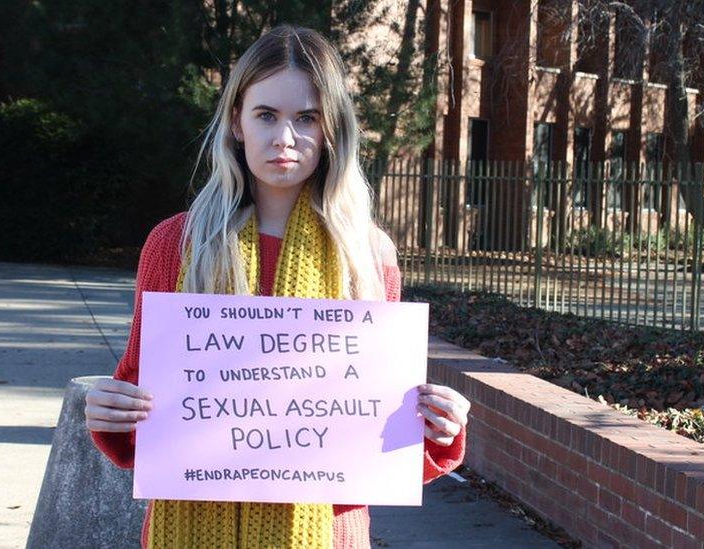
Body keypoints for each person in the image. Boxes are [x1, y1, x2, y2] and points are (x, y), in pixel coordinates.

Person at [86, 24, 470, 548]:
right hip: (191, 526)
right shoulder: (175, 244)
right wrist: (109, 409)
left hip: (326, 533)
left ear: (332, 129)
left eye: (306, 118)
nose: (284, 138)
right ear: (237, 123)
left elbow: (373, 436)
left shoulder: (368, 253)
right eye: (266, 115)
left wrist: (437, 430)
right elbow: (139, 413)